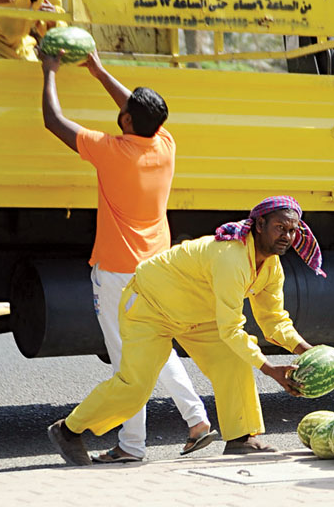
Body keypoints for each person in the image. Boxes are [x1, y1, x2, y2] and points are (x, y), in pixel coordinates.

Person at [46, 196, 319, 466]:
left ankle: (241, 437)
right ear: (259, 225)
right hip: (150, 307)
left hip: (197, 316)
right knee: (134, 388)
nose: (287, 236)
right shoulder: (231, 258)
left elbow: (274, 320)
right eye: (280, 228)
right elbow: (231, 329)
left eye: (293, 230)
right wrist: (271, 370)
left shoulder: (271, 267)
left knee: (232, 360)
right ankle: (68, 431)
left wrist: (310, 352)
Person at [40, 49, 214, 463]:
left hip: (118, 271)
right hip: (157, 268)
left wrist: (49, 71)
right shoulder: (165, 145)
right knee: (157, 347)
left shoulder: (110, 150)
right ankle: (197, 420)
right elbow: (135, 113)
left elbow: (52, 121)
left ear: (127, 122)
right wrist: (99, 72)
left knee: (126, 361)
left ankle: (132, 446)